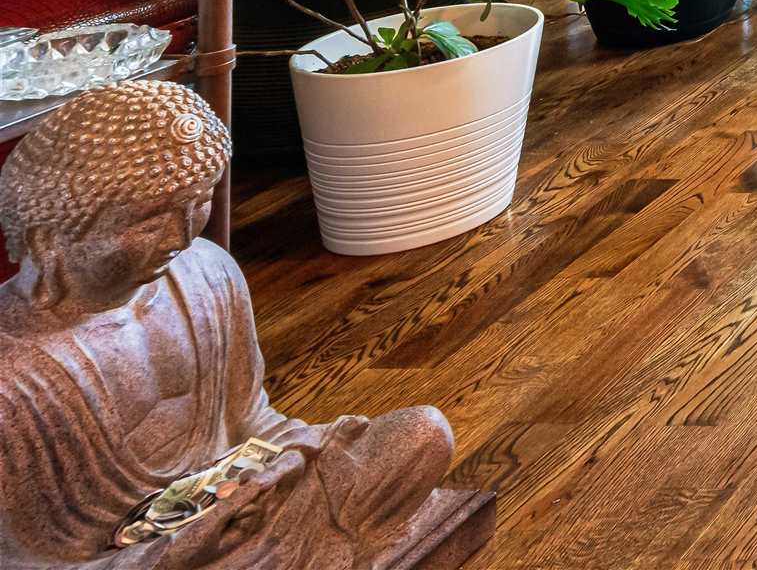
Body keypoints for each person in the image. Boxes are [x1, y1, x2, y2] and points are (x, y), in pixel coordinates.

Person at [0, 82, 455, 566]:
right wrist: (187, 543)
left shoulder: (206, 271)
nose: (179, 236)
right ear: (49, 237)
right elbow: (35, 559)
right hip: (138, 555)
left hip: (247, 496)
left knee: (422, 433)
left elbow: (255, 423)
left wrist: (277, 469)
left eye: (197, 202)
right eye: (149, 220)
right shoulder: (14, 377)